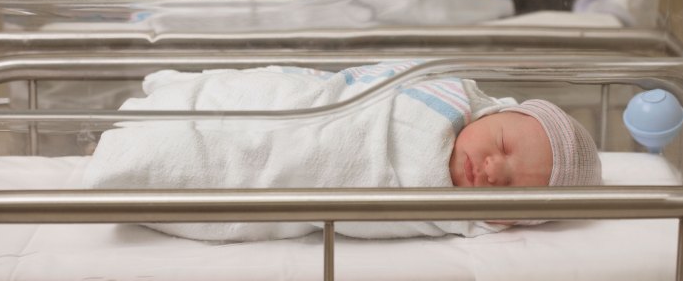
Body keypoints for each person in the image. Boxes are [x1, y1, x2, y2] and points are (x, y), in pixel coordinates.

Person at [84, 61, 601, 241]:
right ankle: (183, 104)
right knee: (256, 105)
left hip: (280, 169)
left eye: (510, 190)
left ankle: (145, 157)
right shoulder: (444, 96)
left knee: (216, 156)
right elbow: (354, 86)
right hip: (309, 106)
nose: (492, 171)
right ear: (492, 113)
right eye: (503, 146)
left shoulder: (450, 211)